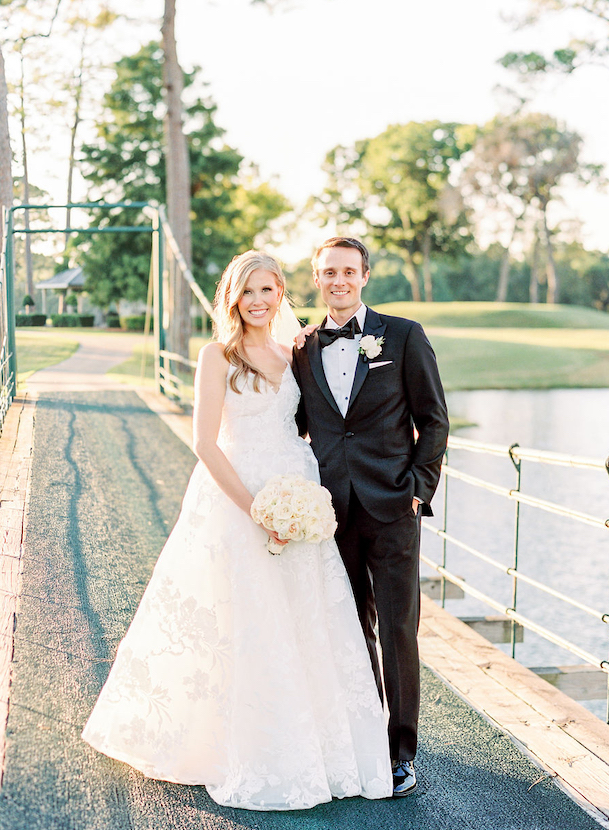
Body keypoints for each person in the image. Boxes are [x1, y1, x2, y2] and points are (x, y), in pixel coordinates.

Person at [82, 250, 393, 810]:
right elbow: (205, 443)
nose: (257, 301)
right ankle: (239, 744)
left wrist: (304, 500)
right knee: (241, 620)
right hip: (236, 498)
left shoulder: (292, 351)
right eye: (246, 291)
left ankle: (322, 746)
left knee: (307, 619)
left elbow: (314, 424)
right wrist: (257, 509)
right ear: (232, 296)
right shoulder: (215, 356)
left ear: (281, 295)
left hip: (295, 493)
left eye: (267, 290)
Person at [292, 237, 449, 797]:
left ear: (364, 277)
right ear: (316, 278)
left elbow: (433, 419)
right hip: (330, 512)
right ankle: (363, 742)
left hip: (392, 508)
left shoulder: (403, 336)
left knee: (398, 630)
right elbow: (298, 428)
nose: (339, 281)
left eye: (348, 272)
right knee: (349, 628)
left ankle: (401, 752)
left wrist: (418, 489)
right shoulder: (301, 347)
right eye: (328, 272)